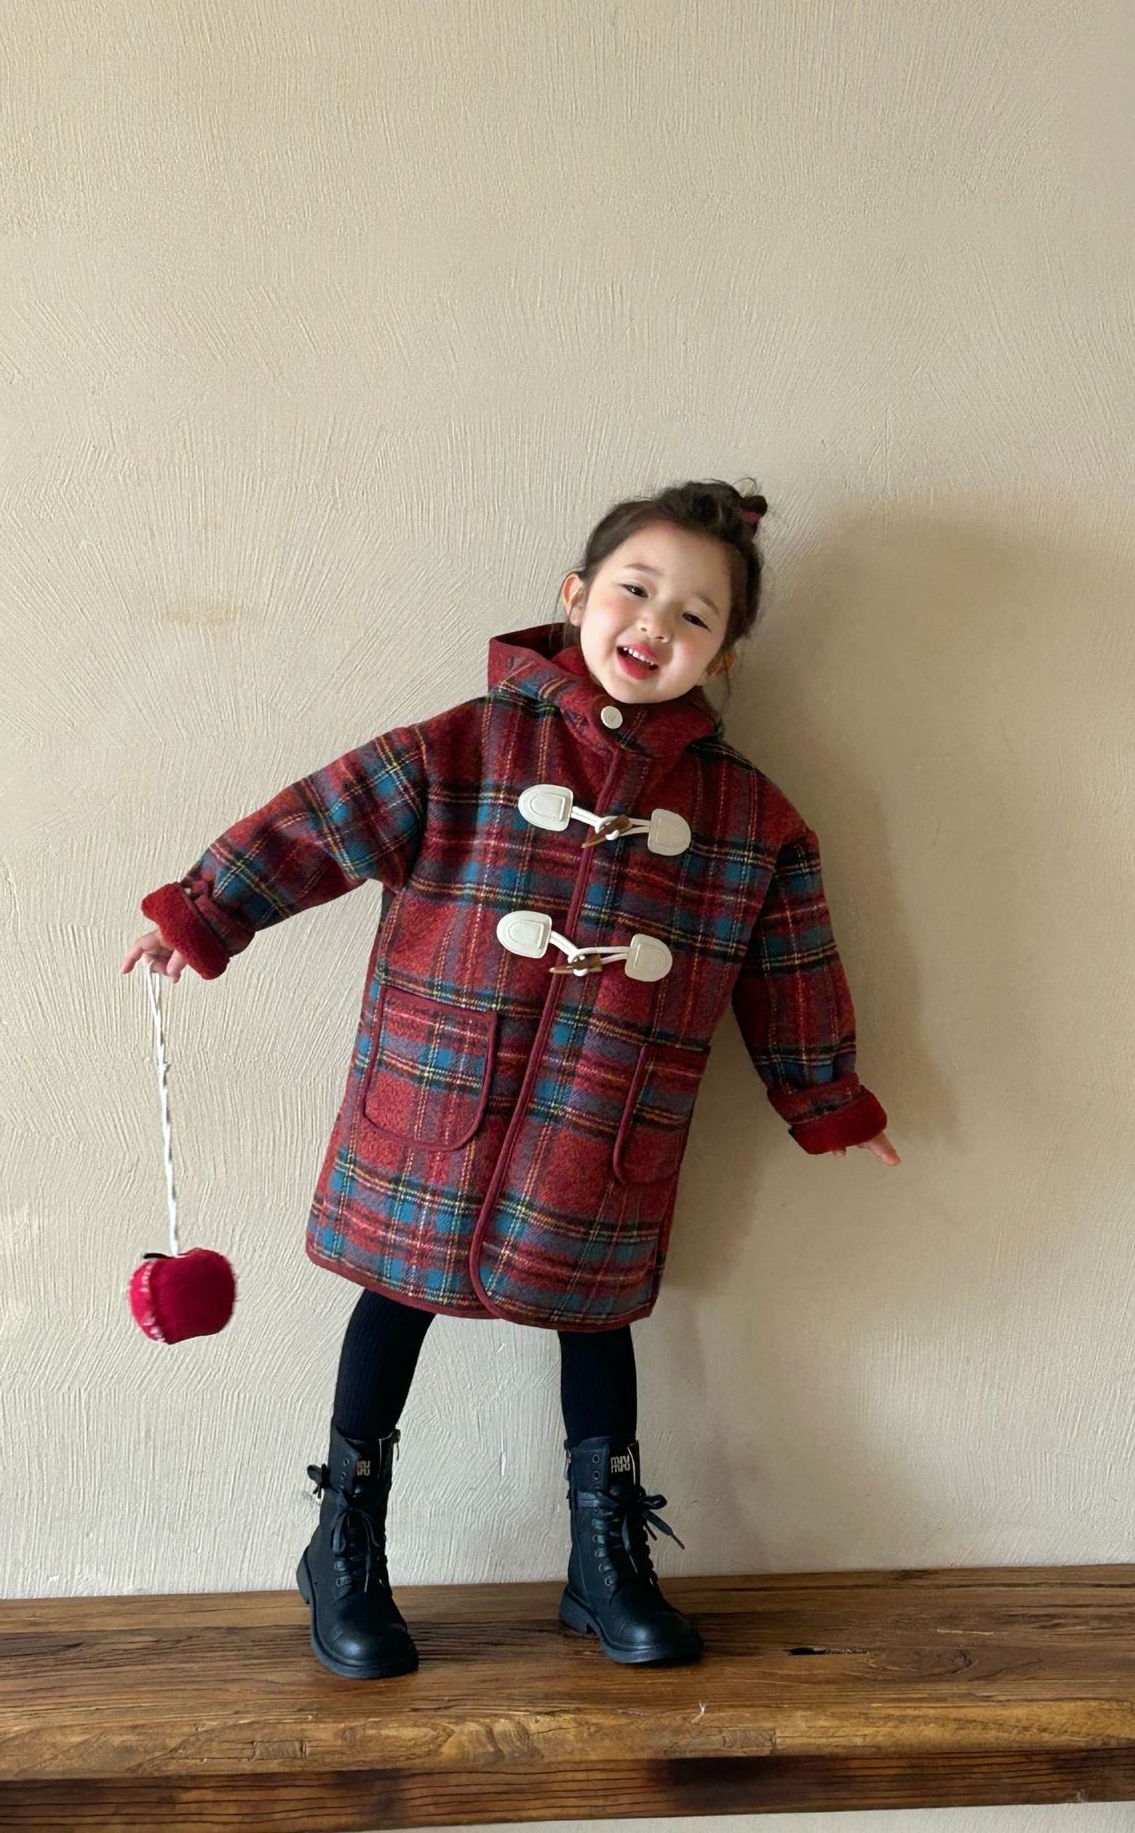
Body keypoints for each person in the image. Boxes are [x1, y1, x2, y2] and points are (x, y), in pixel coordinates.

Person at [121, 479, 900, 1682]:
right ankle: (342, 1545)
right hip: (438, 1099)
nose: (656, 625)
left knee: (598, 1317)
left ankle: (603, 1562)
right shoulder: (466, 749)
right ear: (576, 597)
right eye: (635, 590)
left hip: (605, 1118)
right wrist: (206, 910)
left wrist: (822, 1091)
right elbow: (322, 821)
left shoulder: (748, 819)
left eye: (694, 615)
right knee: (392, 1299)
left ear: (725, 655)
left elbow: (789, 960)